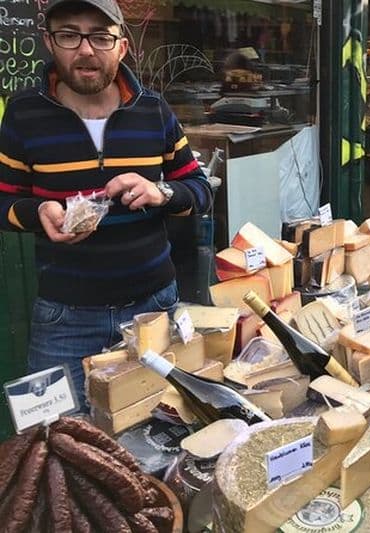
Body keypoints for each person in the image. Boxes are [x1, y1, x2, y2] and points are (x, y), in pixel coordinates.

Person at [0, 0, 211, 408]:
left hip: (154, 311)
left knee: (157, 431)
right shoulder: (23, 114)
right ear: (48, 41)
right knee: (58, 441)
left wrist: (161, 193)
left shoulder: (153, 110)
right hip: (65, 319)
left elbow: (199, 190)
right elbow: (4, 199)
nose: (85, 50)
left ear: (121, 46)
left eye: (100, 36)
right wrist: (36, 212)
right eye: (69, 35)